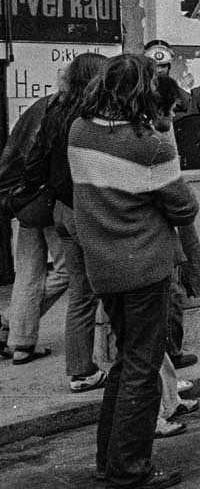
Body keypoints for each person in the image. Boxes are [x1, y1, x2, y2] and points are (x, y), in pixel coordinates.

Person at [70, 53, 197, 489]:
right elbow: (184, 207)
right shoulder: (150, 146)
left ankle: (109, 461)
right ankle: (129, 470)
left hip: (103, 267)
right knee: (143, 368)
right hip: (144, 266)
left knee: (126, 362)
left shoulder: (79, 131)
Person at [17, 52, 109, 390]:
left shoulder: (55, 111)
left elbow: (34, 163)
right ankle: (136, 368)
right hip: (90, 210)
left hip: (62, 210)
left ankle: (81, 371)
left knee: (81, 294)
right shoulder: (95, 117)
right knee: (120, 292)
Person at [144, 40, 199, 368]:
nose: (160, 71)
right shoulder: (152, 138)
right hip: (159, 217)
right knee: (170, 289)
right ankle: (171, 354)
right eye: (155, 65)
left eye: (164, 65)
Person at [0, 89, 64, 365]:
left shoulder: (41, 105)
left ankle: (21, 342)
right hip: (49, 201)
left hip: (26, 199)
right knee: (68, 270)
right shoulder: (67, 111)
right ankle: (12, 325)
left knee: (27, 270)